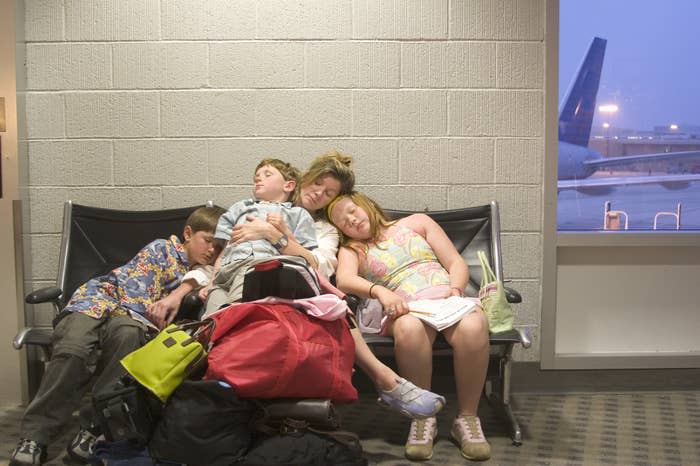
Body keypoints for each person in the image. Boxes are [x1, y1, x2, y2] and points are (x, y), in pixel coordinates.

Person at [225, 150, 445, 420]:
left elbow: (319, 264)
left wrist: (276, 237)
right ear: (303, 179)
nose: (319, 193)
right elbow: (225, 251)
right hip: (247, 280)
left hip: (297, 288)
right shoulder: (256, 207)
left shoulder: (324, 229)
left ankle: (386, 381)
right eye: (318, 183)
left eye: (328, 193)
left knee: (334, 307)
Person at [9, 205, 226, 466]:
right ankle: (36, 436)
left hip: (129, 320)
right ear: (188, 233)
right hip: (95, 302)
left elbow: (207, 280)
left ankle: (93, 428)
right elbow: (138, 298)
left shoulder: (201, 272)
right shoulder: (163, 249)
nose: (212, 250)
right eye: (209, 242)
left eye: (219, 246)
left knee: (128, 338)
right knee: (74, 350)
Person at [328, 191, 491, 462]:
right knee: (409, 329)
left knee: (474, 324)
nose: (351, 221)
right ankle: (423, 418)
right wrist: (380, 292)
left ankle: (467, 419)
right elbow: (344, 279)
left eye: (352, 211)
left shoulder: (418, 222)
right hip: (405, 306)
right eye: (343, 223)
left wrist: (455, 290)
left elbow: (455, 262)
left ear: (366, 204)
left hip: (446, 297)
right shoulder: (353, 248)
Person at [202, 158, 318, 315]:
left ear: (288, 185)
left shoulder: (297, 214)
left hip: (254, 268)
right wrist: (211, 282)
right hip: (224, 274)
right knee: (210, 321)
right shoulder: (239, 208)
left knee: (234, 314)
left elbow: (305, 258)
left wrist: (282, 232)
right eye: (256, 176)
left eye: (267, 174)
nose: (258, 178)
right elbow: (224, 250)